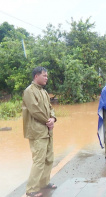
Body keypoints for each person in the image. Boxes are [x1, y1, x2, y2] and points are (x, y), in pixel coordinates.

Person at [22, 67, 57, 197]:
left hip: (47, 130)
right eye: (44, 75)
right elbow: (34, 110)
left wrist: (53, 118)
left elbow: (50, 107)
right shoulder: (29, 91)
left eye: (47, 76)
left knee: (49, 158)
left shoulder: (44, 92)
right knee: (39, 160)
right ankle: (31, 189)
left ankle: (44, 182)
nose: (46, 78)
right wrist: (48, 121)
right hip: (37, 132)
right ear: (36, 76)